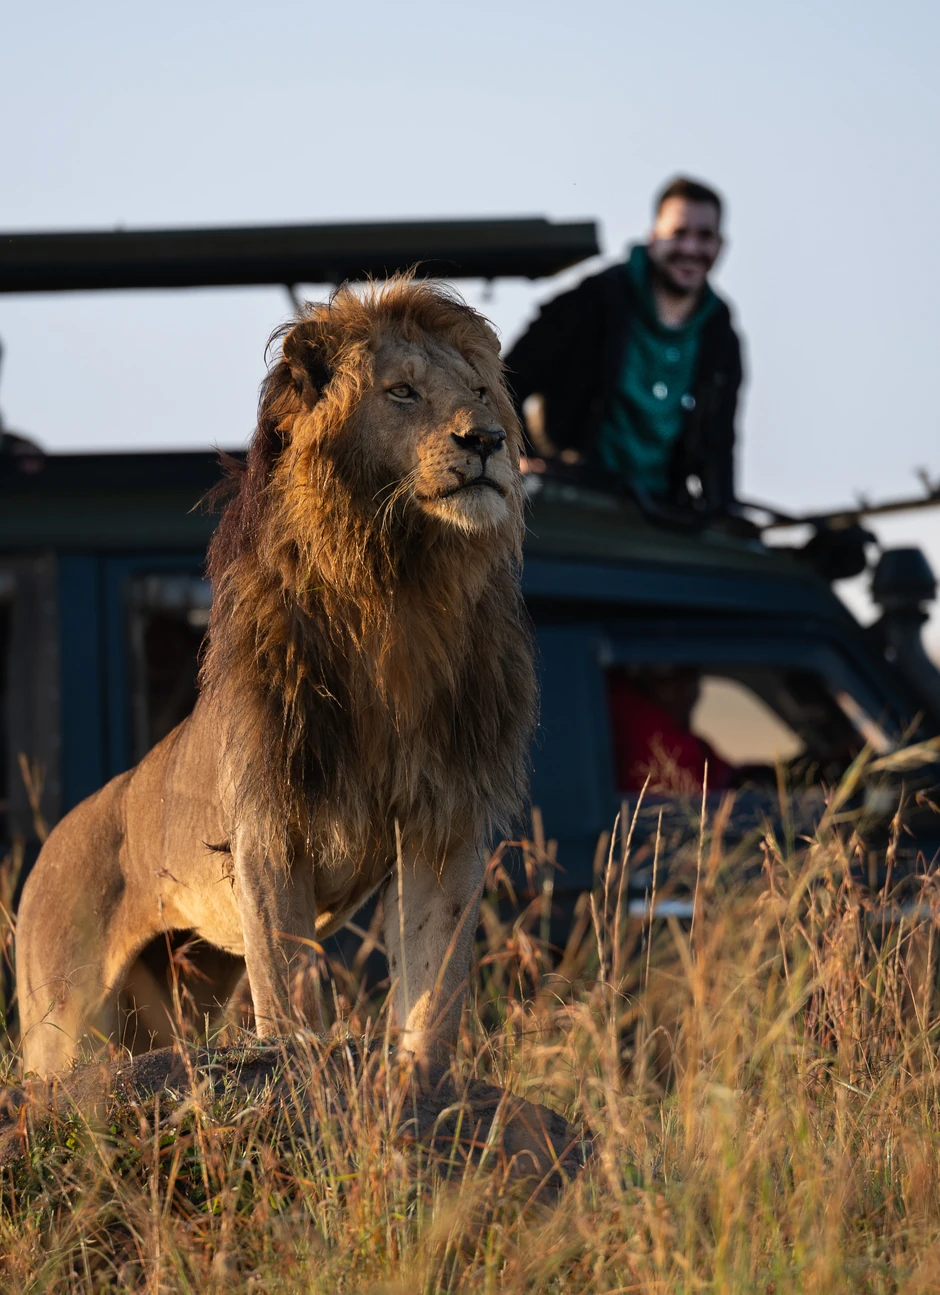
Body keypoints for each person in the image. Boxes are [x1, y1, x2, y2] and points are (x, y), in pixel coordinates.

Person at [505, 177, 743, 514]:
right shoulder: (593, 301)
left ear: (720, 245)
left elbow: (720, 444)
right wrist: (524, 460)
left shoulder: (720, 333)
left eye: (704, 236)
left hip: (658, 515)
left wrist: (725, 517)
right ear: (653, 238)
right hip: (574, 505)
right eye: (678, 233)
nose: (690, 249)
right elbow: (505, 382)